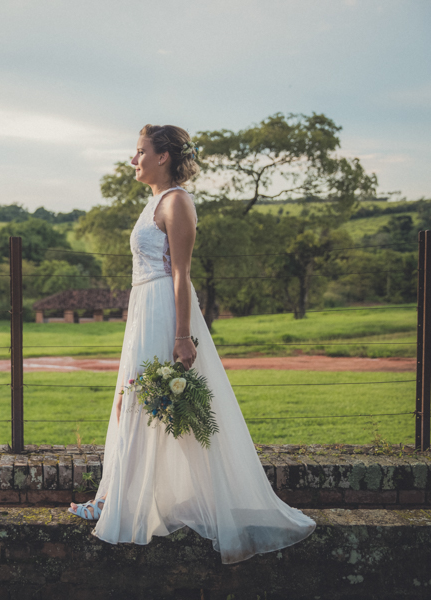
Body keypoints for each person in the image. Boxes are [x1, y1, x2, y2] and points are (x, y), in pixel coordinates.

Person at [68, 124, 315, 564]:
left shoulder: (177, 202)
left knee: (148, 405)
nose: (133, 159)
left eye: (140, 151)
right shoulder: (153, 202)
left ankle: (115, 504)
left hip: (165, 313)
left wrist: (182, 336)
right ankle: (114, 497)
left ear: (163, 156)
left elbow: (181, 274)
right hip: (144, 311)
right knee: (130, 403)